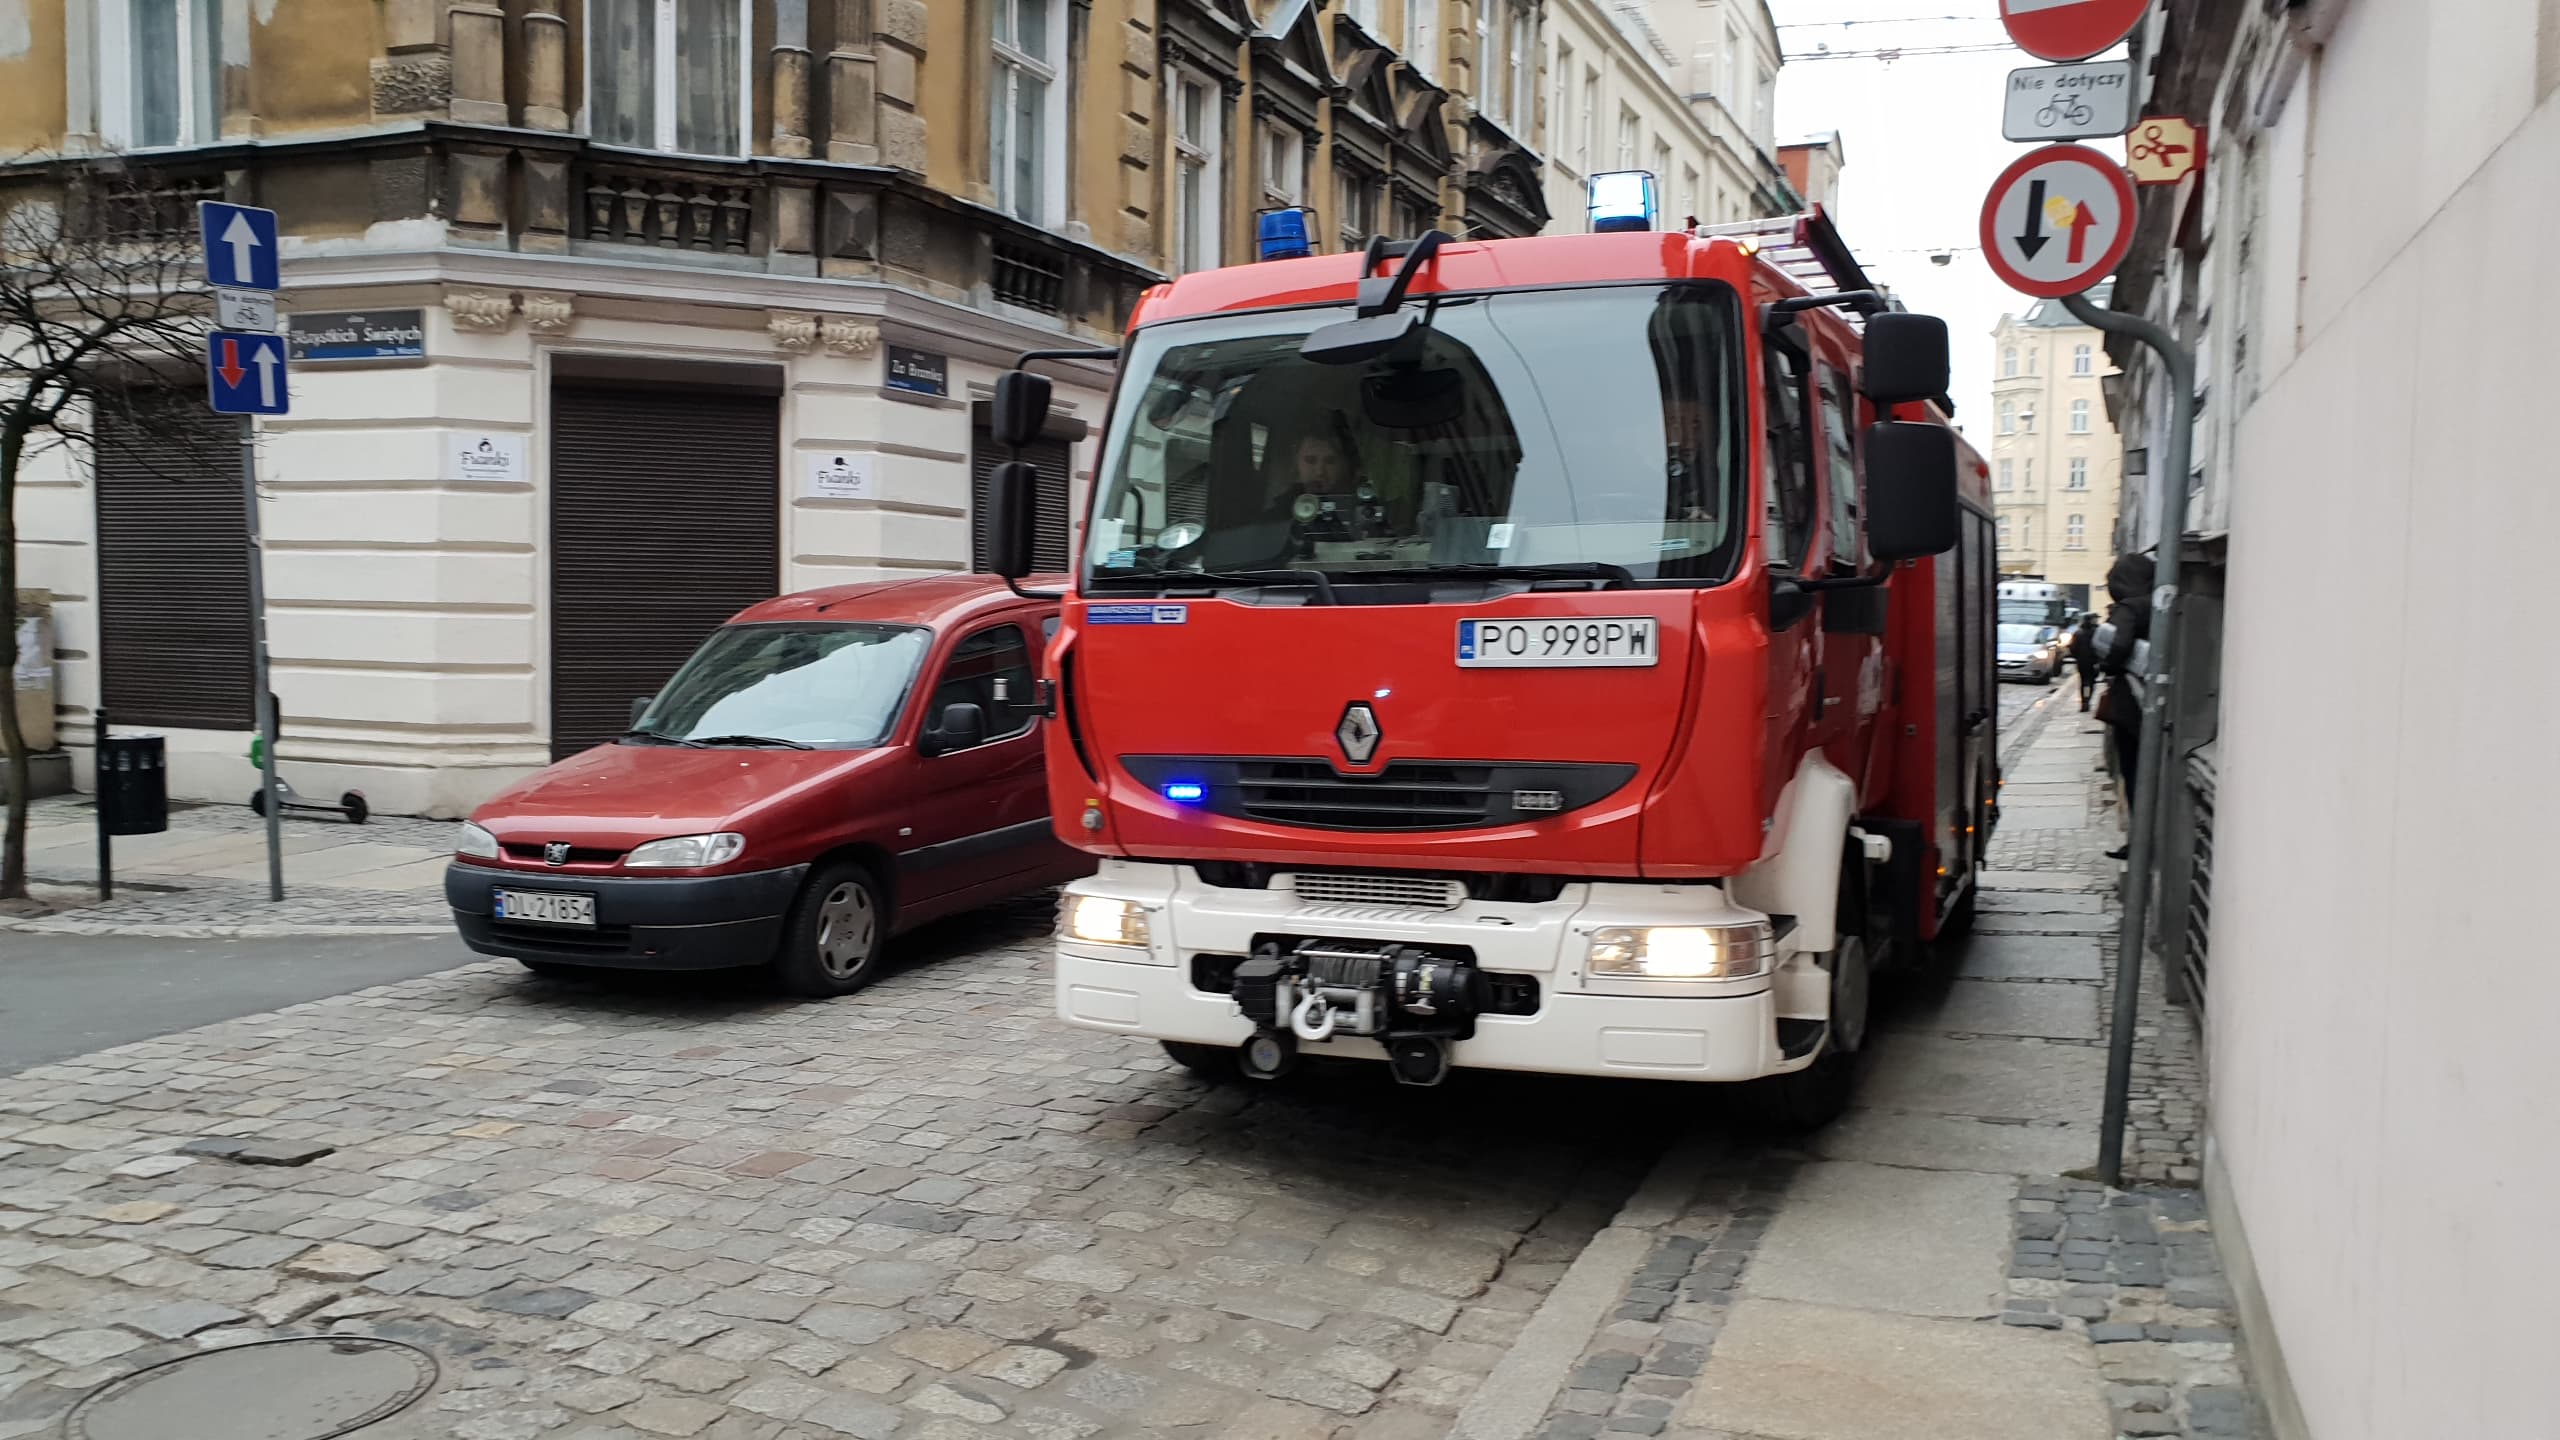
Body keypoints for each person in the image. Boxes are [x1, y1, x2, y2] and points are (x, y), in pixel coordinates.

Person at [2094, 554, 2155, 860]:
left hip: (2132, 701)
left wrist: (2108, 663)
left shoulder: (2131, 608)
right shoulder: (2157, 602)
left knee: (2133, 772)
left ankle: (2139, 844)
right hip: (2153, 700)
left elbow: (2117, 644)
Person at [2068, 612, 2101, 711]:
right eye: (2095, 619)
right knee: (2091, 682)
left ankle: (2084, 701)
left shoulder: (2078, 633)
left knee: (2083, 682)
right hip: (2093, 662)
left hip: (2082, 662)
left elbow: (2072, 648)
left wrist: (2077, 657)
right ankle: (2087, 700)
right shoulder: (2097, 632)